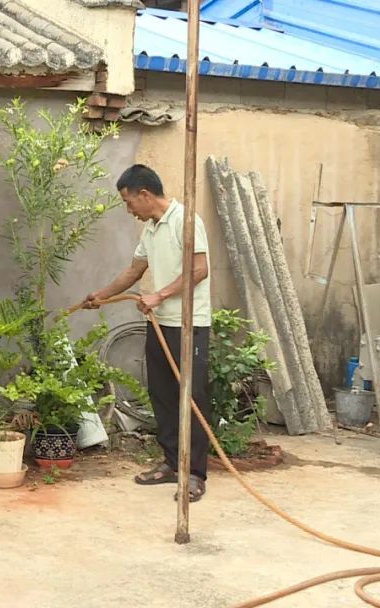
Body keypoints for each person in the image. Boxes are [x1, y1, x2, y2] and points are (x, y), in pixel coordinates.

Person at [83, 164, 212, 502]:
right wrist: (102, 296)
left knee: (191, 398)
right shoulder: (151, 230)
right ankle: (171, 463)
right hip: (160, 323)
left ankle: (195, 473)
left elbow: (199, 269)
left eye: (129, 202)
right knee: (162, 395)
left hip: (189, 323)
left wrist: (160, 295)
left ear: (145, 194)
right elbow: (134, 271)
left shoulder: (186, 220)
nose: (129, 210)